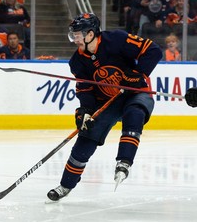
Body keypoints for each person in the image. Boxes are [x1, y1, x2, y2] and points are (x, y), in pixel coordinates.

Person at [47, 13, 162, 201]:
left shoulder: (117, 39)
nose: (74, 37)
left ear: (90, 34)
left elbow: (153, 51)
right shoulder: (77, 62)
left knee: (135, 113)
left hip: (135, 92)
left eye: (78, 33)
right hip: (107, 101)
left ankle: (124, 162)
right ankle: (65, 185)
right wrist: (84, 111)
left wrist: (138, 74)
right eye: (74, 33)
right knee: (86, 138)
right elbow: (85, 90)